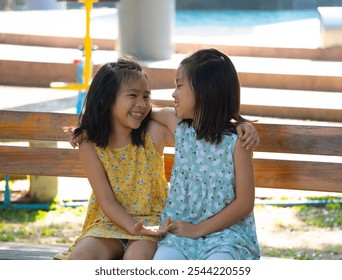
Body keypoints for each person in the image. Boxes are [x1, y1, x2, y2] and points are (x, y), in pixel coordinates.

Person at [54, 55, 258, 260]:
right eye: (133, 95)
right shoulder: (90, 143)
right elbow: (106, 200)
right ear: (105, 99)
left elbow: (200, 132)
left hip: (156, 222)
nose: (142, 104)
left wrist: (238, 124)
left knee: (138, 260)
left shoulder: (156, 131)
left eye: (146, 97)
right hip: (108, 222)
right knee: (81, 257)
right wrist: (92, 127)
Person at [152, 49, 261, 260]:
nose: (173, 94)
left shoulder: (237, 143)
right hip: (179, 232)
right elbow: (145, 110)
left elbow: (244, 203)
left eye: (179, 85)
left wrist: (198, 229)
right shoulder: (180, 127)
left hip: (226, 236)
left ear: (204, 90)